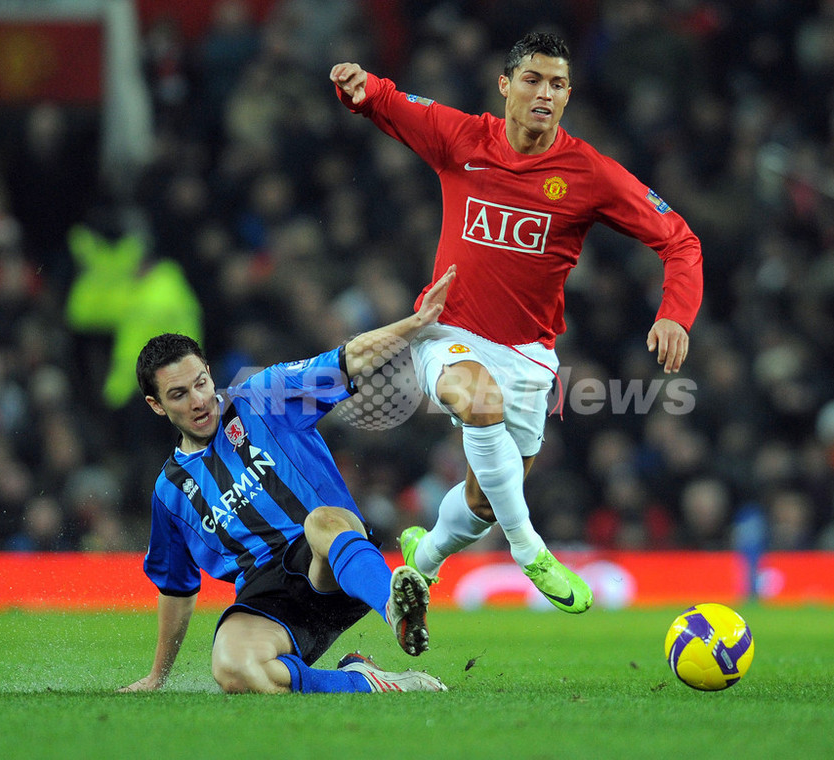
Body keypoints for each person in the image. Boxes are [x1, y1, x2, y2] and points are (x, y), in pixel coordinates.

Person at [330, 31, 703, 613]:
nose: (544, 94)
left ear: (568, 95)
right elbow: (393, 103)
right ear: (506, 86)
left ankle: (418, 565)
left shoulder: (589, 173)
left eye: (557, 85)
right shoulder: (464, 138)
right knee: (478, 404)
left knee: (483, 500)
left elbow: (679, 240)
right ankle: (530, 550)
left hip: (529, 353)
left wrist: (675, 315)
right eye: (532, 80)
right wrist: (360, 89)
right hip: (445, 328)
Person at [119, 266, 458, 695]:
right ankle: (365, 682)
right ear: (155, 405)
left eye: (200, 382)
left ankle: (396, 610)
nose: (199, 401)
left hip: (331, 561)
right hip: (269, 599)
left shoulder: (264, 394)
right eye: (179, 395)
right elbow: (176, 587)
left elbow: (344, 360)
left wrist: (415, 324)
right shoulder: (170, 493)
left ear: (208, 369)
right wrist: (156, 677)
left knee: (320, 522)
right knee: (232, 670)